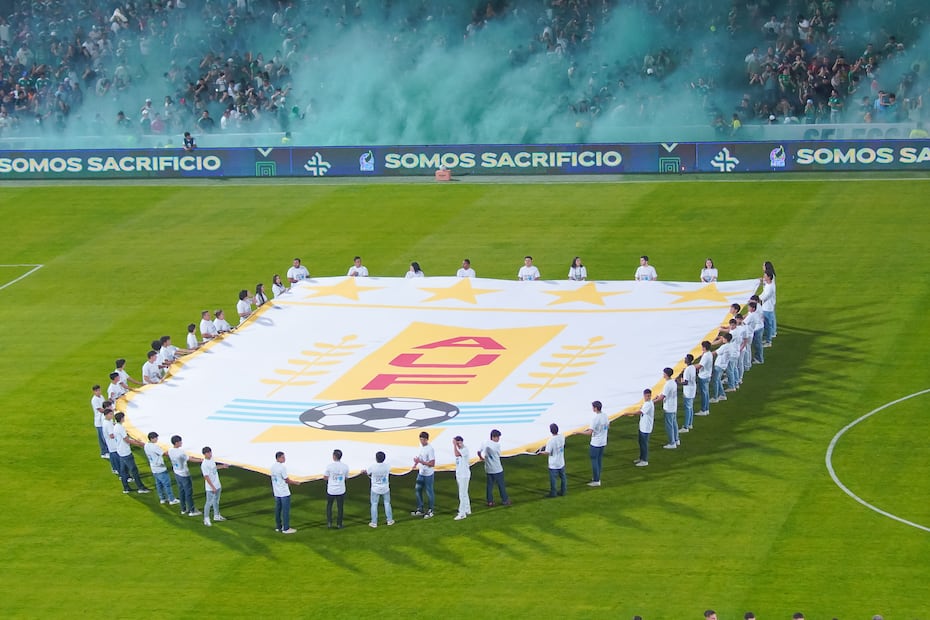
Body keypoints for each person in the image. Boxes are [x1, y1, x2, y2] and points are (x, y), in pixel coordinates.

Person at [113, 412, 151, 494]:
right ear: (121, 418)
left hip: (120, 451)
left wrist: (136, 441)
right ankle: (141, 487)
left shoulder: (116, 427)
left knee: (123, 471)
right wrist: (139, 444)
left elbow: (126, 438)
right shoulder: (120, 428)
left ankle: (126, 488)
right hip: (126, 452)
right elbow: (127, 440)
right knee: (134, 470)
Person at [619, 388, 654, 466]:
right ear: (644, 396)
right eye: (646, 396)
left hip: (646, 428)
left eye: (649, 396)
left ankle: (644, 460)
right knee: (641, 443)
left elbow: (639, 412)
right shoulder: (646, 403)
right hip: (643, 426)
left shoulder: (648, 404)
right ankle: (641, 458)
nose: (648, 397)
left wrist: (627, 413)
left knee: (644, 444)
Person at [168, 435, 201, 517]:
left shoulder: (170, 450)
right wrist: (201, 460)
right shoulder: (180, 452)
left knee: (181, 491)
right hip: (184, 474)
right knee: (188, 493)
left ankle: (183, 509)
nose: (181, 443)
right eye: (180, 441)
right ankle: (192, 510)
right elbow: (190, 459)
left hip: (176, 473)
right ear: (176, 443)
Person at [144, 432, 179, 505]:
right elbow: (164, 454)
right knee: (167, 484)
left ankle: (162, 498)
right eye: (156, 438)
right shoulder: (154, 447)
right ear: (152, 439)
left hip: (153, 467)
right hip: (160, 467)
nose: (157, 439)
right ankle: (171, 499)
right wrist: (172, 451)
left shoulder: (146, 445)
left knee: (159, 484)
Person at [579, 400, 609, 486]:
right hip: (603, 442)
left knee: (594, 461)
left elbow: (589, 433)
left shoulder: (595, 419)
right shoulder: (605, 415)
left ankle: (596, 480)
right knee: (599, 460)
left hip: (596, 443)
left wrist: (579, 432)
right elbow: (608, 426)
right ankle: (597, 477)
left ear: (595, 408)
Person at [478, 429, 510, 506]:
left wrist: (481, 458)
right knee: (501, 485)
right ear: (494, 437)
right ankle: (505, 500)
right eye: (498, 437)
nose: (498, 439)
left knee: (489, 486)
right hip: (497, 469)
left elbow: (479, 452)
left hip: (488, 469)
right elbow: (498, 455)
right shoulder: (496, 445)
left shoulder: (485, 442)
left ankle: (490, 501)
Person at [362, 451, 394, 527]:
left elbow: (368, 473)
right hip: (385, 488)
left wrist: (364, 472)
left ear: (376, 458)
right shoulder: (387, 466)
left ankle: (374, 522)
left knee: (374, 504)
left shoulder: (373, 467)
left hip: (375, 488)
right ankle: (389, 520)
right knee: (387, 503)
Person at [271, 451, 300, 534]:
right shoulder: (282, 468)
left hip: (277, 492)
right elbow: (286, 480)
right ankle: (286, 528)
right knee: (285, 511)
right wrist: (295, 483)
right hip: (284, 492)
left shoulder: (272, 467)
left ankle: (278, 526)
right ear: (279, 458)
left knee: (278, 510)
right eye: (283, 457)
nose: (284, 459)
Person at [201, 446, 229, 526]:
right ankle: (206, 519)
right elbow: (206, 476)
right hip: (211, 488)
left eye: (210, 452)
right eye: (208, 453)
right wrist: (212, 487)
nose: (210, 454)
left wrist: (223, 466)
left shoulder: (212, 459)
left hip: (217, 485)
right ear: (204, 454)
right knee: (208, 503)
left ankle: (216, 515)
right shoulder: (204, 464)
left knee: (216, 501)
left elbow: (214, 468)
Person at [537, 423, 566, 497]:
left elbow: (547, 452)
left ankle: (553, 493)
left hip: (553, 464)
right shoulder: (562, 437)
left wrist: (540, 453)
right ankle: (563, 491)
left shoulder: (551, 441)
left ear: (551, 431)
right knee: (563, 478)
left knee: (553, 479)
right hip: (561, 462)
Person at [411, 431, 435, 518]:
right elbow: (420, 457)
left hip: (428, 474)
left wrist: (420, 462)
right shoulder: (420, 447)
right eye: (420, 439)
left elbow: (432, 464)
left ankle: (431, 510)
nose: (421, 441)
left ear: (426, 439)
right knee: (417, 489)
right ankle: (420, 509)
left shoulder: (430, 449)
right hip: (421, 472)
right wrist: (415, 464)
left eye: (423, 440)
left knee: (429, 491)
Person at [654, 367, 679, 449]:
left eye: (664, 373)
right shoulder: (673, 382)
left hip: (669, 407)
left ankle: (672, 443)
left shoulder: (667, 384)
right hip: (674, 406)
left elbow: (662, 397)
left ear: (666, 374)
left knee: (669, 425)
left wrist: (652, 402)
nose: (663, 375)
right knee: (674, 424)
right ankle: (676, 439)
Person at [324, 449, 349, 528]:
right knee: (340, 507)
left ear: (334, 456)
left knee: (329, 506)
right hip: (341, 490)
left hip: (331, 490)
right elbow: (346, 478)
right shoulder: (345, 467)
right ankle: (339, 524)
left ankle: (329, 522)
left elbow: (325, 477)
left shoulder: (330, 466)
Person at [452, 436, 471, 520]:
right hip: (460, 474)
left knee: (462, 494)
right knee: (464, 493)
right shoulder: (460, 449)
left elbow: (457, 454)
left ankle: (462, 513)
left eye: (458, 442)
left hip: (464, 475)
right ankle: (467, 509)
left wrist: (454, 445)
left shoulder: (465, 449)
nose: (457, 444)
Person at [695, 340, 713, 416]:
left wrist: (691, 367)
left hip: (703, 376)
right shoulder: (709, 354)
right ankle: (706, 409)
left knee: (704, 394)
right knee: (706, 393)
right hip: (707, 375)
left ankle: (704, 410)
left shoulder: (706, 356)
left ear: (704, 347)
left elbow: (700, 366)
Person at [101, 405, 121, 475]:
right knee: (117, 459)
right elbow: (111, 435)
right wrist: (118, 434)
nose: (112, 415)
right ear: (106, 415)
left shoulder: (106, 421)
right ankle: (120, 472)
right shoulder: (108, 424)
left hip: (110, 445)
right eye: (110, 414)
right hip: (113, 444)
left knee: (113, 457)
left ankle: (115, 469)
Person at [90, 385, 109, 459]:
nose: (99, 392)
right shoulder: (94, 400)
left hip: (102, 420)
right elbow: (100, 409)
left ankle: (104, 452)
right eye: (97, 391)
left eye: (100, 390)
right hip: (99, 421)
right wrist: (109, 411)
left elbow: (104, 405)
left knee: (102, 437)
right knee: (103, 437)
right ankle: (105, 452)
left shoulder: (101, 397)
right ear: (94, 392)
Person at [679, 354, 697, 432]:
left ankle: (686, 427)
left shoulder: (687, 370)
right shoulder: (693, 367)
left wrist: (678, 382)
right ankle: (690, 424)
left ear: (688, 360)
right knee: (690, 408)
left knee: (687, 409)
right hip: (692, 389)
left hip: (688, 391)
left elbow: (685, 382)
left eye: (685, 358)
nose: (684, 359)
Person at [760, 271, 776, 346]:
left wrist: (756, 299)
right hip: (766, 307)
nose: (764, 277)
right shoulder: (768, 285)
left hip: (768, 308)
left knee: (767, 325)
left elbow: (765, 296)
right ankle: (767, 339)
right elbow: (763, 293)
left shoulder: (770, 287)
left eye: (765, 276)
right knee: (766, 324)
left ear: (769, 277)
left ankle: (768, 341)